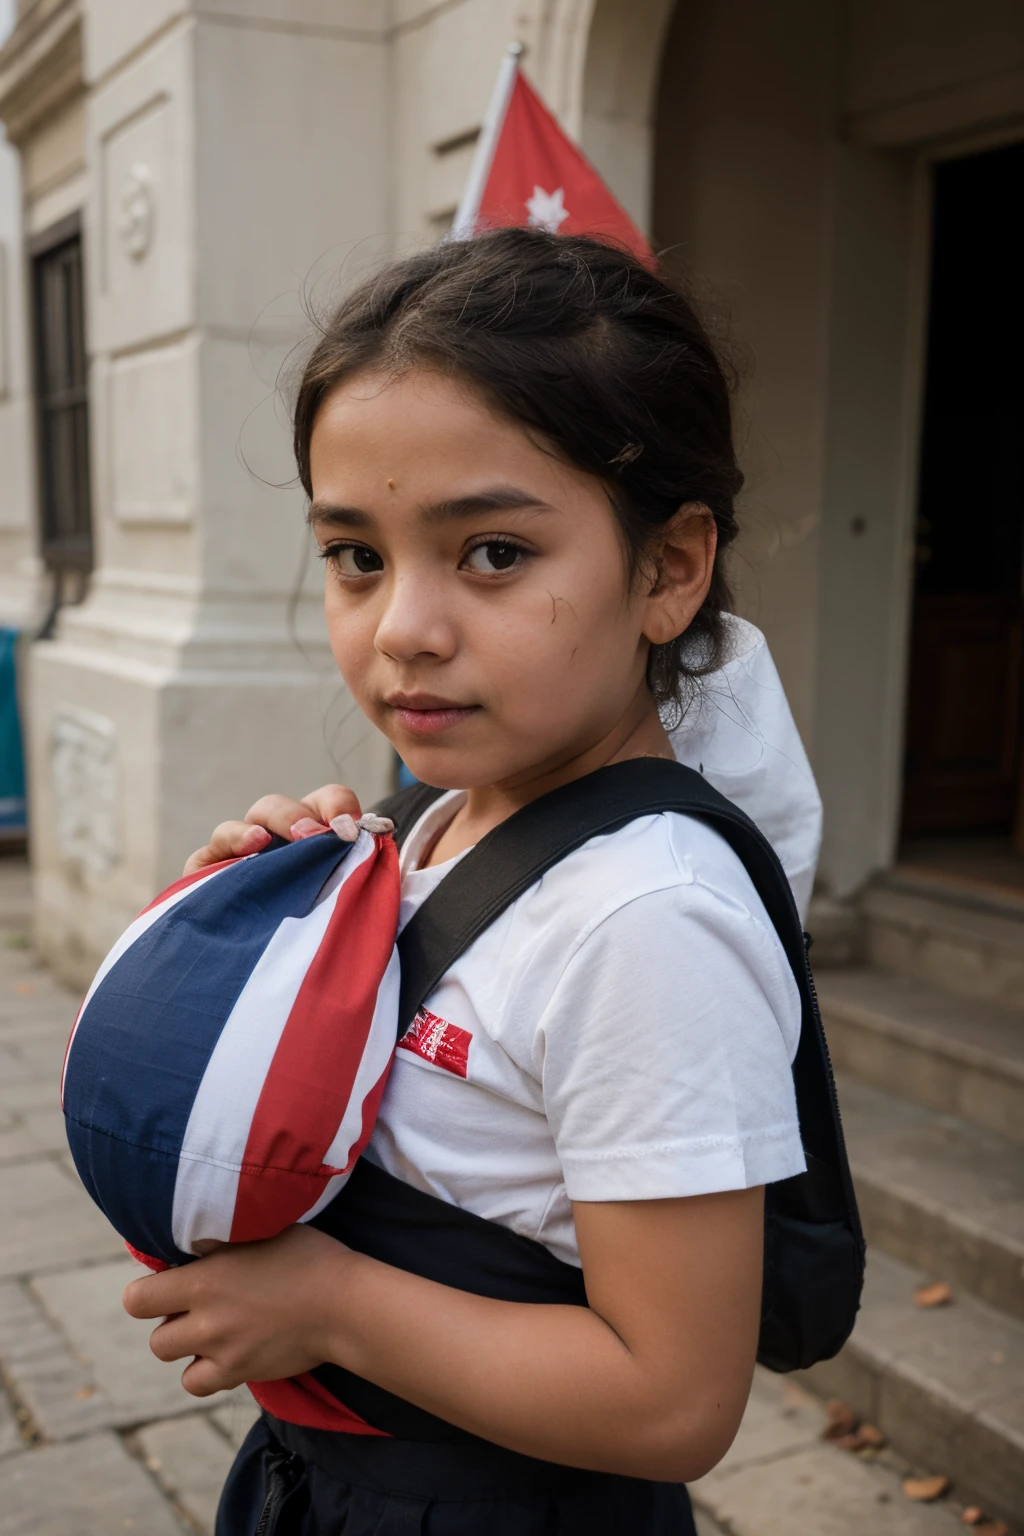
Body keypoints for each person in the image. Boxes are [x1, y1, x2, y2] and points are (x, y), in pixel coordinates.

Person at [122, 228, 815, 1535]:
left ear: (667, 569)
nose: (403, 629)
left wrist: (329, 1305)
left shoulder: (648, 922)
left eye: (492, 552)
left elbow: (673, 1402)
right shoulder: (431, 820)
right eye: (357, 556)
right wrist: (250, 943)